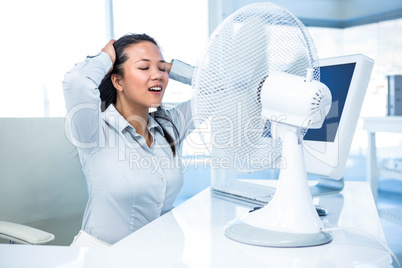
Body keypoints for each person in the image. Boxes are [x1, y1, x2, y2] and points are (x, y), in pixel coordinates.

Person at [63, 33, 194, 246]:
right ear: (117, 80)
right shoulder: (94, 130)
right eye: (144, 68)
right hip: (102, 259)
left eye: (162, 70)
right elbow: (76, 81)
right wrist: (106, 57)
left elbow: (220, 91)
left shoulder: (169, 125)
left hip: (159, 254)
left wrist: (171, 68)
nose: (158, 76)